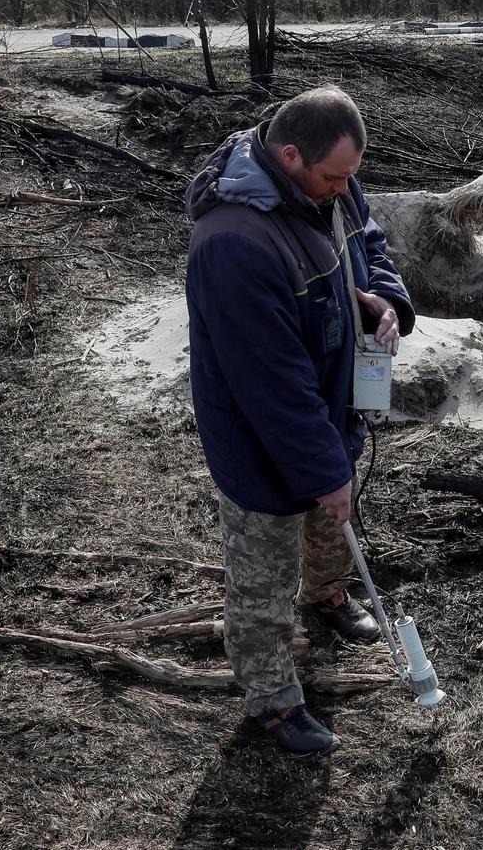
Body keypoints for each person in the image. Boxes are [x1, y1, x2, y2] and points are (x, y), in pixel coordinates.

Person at [184, 87, 415, 756]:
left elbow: (367, 239)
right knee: (262, 570)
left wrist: (388, 302)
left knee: (332, 518)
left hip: (330, 404)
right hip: (262, 437)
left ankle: (328, 596)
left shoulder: (328, 183)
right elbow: (272, 388)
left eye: (352, 175)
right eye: (335, 177)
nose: (347, 188)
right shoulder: (233, 242)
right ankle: (273, 699)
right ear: (290, 156)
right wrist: (324, 470)